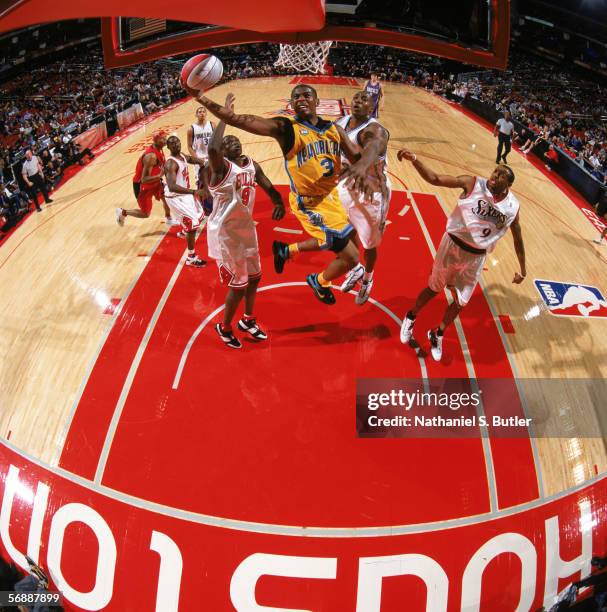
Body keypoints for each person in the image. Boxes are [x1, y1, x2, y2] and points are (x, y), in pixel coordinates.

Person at [193, 84, 380, 306]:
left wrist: (365, 172)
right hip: (309, 204)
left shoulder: (334, 130)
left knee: (350, 247)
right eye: (296, 96)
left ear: (317, 102)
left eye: (307, 95)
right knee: (352, 258)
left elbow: (359, 157)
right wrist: (201, 98)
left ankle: (289, 253)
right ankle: (318, 281)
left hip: (331, 198)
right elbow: (239, 119)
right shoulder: (286, 127)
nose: (301, 98)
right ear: (291, 104)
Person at [398, 151, 526, 361]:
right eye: (495, 170)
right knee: (433, 289)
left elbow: (518, 237)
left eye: (501, 174)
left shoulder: (513, 206)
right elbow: (435, 179)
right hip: (452, 247)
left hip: (476, 258)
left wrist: (523, 269)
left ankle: (437, 334)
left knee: (460, 303)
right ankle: (411, 317)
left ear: (508, 184)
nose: (495, 174)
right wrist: (414, 159)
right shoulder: (473, 183)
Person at [206, 93, 286, 348]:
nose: (234, 142)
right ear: (224, 152)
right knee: (238, 285)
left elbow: (268, 185)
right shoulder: (219, 170)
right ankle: (225, 326)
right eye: (228, 142)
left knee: (255, 277)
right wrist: (224, 116)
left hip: (247, 230)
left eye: (236, 140)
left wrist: (278, 201)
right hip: (226, 234)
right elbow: (212, 148)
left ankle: (247, 319)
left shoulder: (251, 164)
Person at [336, 90, 391, 304]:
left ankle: (368, 278)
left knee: (369, 244)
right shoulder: (342, 121)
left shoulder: (375, 130)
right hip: (347, 184)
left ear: (372, 107)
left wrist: (362, 165)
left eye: (364, 99)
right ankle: (356, 269)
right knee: (342, 230)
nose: (358, 101)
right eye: (356, 97)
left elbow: (373, 147)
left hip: (372, 193)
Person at [163, 135, 208, 267]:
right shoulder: (170, 163)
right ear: (168, 147)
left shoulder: (181, 155)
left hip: (184, 193)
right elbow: (171, 186)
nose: (176, 145)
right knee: (193, 226)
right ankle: (191, 257)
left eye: (177, 142)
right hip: (175, 197)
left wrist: (202, 162)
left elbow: (190, 159)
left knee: (200, 215)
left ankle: (183, 230)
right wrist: (194, 192)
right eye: (172, 144)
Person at [115, 131, 177, 226]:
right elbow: (144, 179)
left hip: (155, 181)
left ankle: (168, 218)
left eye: (166, 138)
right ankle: (123, 212)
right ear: (156, 140)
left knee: (167, 197)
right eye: (163, 139)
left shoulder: (159, 149)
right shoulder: (151, 156)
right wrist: (159, 175)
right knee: (145, 214)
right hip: (143, 186)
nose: (165, 140)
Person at [187, 106, 214, 214]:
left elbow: (218, 140)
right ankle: (205, 207)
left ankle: (216, 203)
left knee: (214, 180)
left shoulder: (212, 125)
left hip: (212, 158)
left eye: (203, 111)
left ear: (206, 113)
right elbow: (189, 146)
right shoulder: (191, 128)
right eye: (199, 112)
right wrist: (197, 159)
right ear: (196, 115)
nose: (201, 113)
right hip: (200, 160)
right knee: (201, 183)